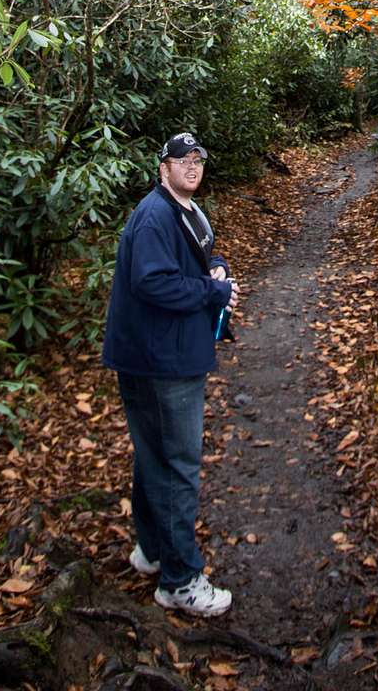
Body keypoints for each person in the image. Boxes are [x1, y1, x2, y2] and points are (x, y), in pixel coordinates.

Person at [102, 131, 239, 616]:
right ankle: (180, 580)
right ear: (163, 167)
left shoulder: (185, 210)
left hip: (154, 356)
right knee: (177, 465)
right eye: (182, 160)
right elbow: (154, 282)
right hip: (160, 362)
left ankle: (154, 550)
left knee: (153, 458)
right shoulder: (156, 215)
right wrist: (211, 294)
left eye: (198, 159)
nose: (192, 167)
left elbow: (205, 253)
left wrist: (216, 270)